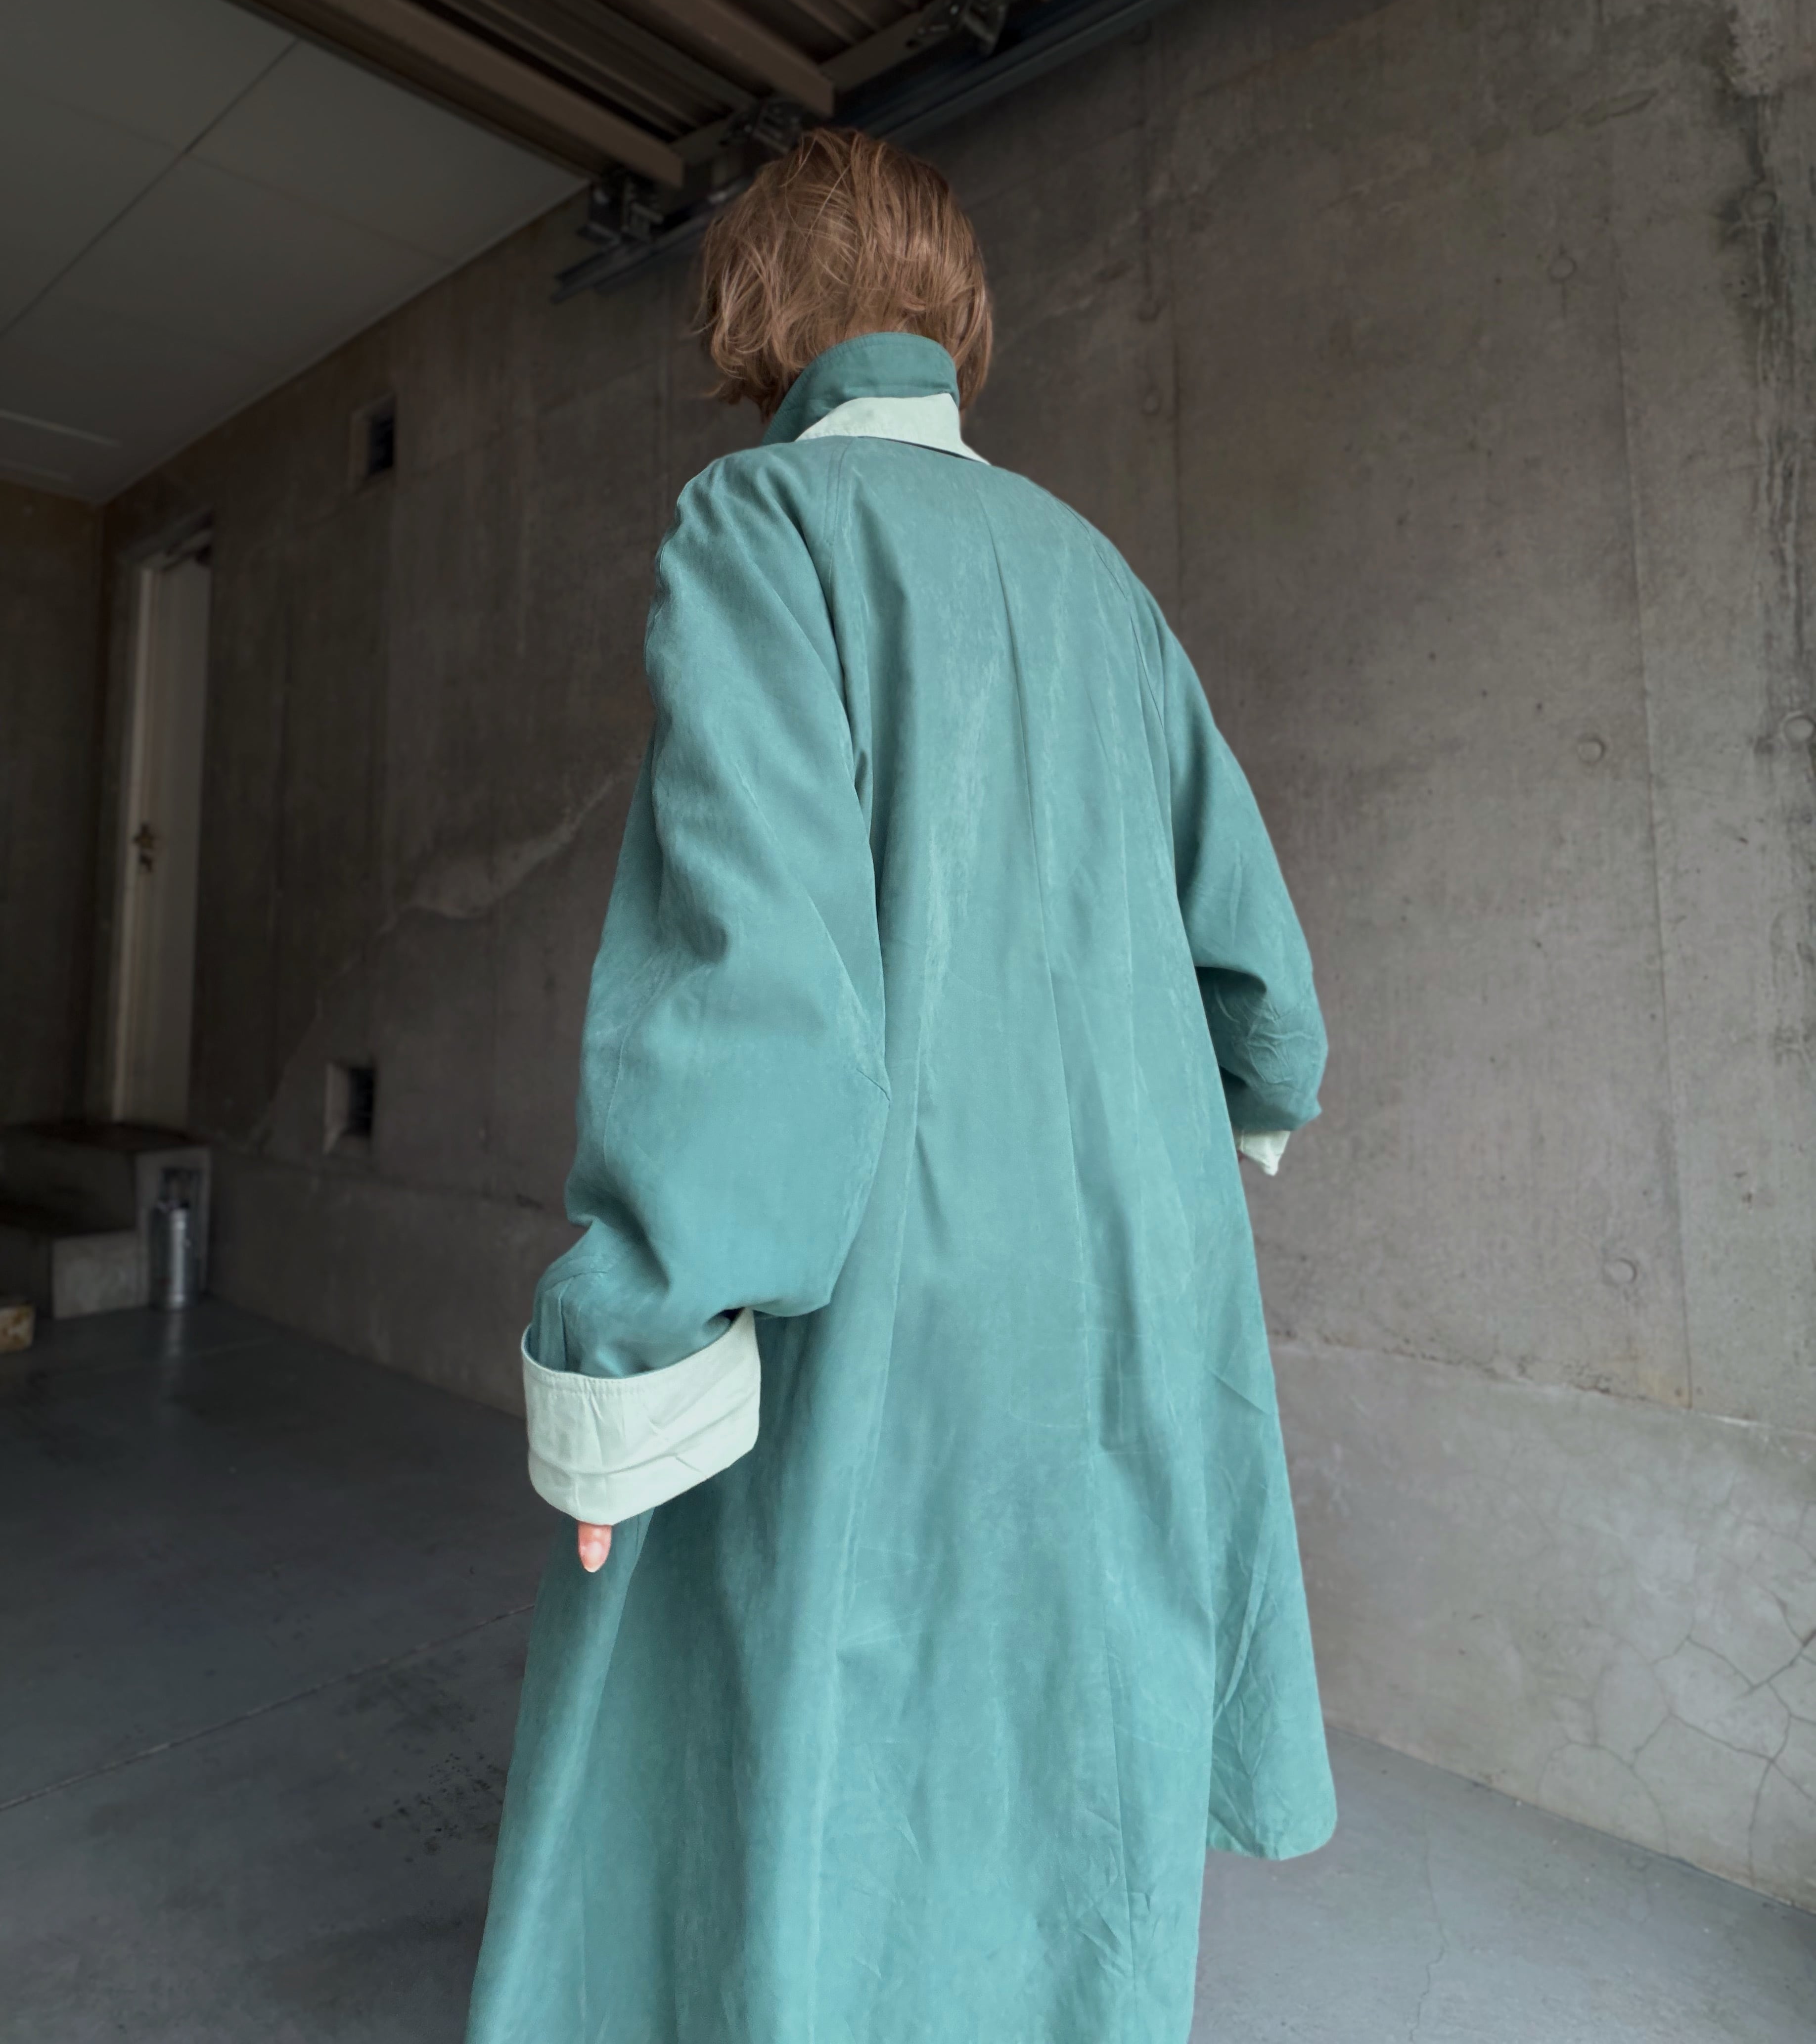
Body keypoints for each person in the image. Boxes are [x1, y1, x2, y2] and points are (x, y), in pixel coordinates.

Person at [466, 127, 1334, 2044]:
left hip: (890, 1304)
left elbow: (756, 987)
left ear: (755, 316)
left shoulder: (764, 528)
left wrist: (631, 1343)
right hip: (1144, 1291)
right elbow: (1265, 988)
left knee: (835, 1804)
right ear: (954, 315)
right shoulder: (1101, 578)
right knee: (1073, 1785)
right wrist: (1181, 1131)